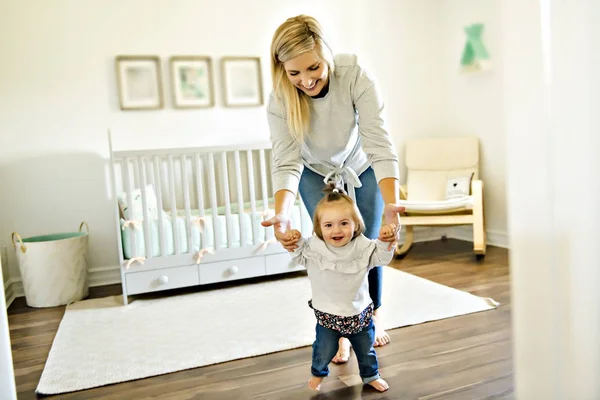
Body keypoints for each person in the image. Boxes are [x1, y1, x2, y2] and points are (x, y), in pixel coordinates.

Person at [261, 14, 405, 363]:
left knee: (366, 244)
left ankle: (372, 314)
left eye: (313, 68)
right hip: (314, 171)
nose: (306, 81)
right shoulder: (280, 99)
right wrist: (281, 214)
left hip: (362, 166)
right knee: (330, 245)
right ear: (282, 69)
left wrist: (392, 204)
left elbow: (379, 144)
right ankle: (340, 329)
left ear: (326, 54)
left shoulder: (355, 76)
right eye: (294, 73)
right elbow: (286, 161)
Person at [282, 183, 396, 392]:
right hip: (328, 317)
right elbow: (298, 255)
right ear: (319, 228)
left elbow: (382, 257)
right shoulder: (314, 248)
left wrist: (385, 241)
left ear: (356, 224)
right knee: (323, 350)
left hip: (359, 315)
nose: (336, 230)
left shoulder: (362, 246)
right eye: (328, 225)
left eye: (344, 223)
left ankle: (371, 375)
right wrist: (294, 241)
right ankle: (318, 374)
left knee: (366, 350)